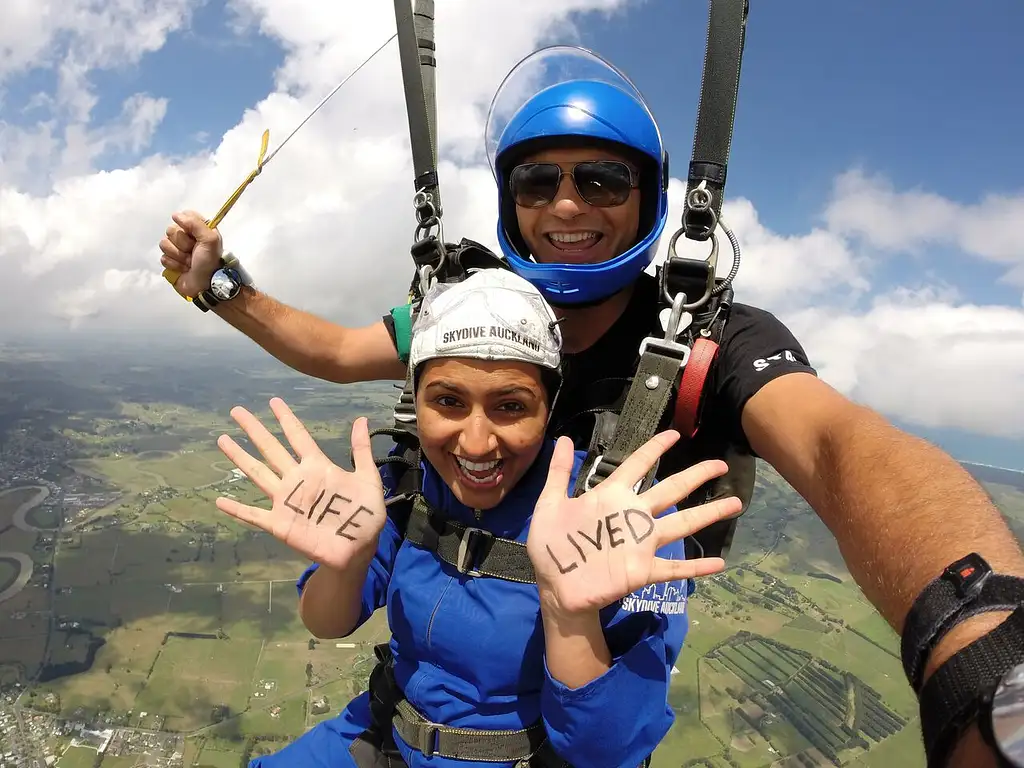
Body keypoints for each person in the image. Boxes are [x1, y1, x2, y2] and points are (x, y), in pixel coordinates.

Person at [161, 48, 1024, 767]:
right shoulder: (470, 315)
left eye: (604, 179)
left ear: (650, 197)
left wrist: (977, 631)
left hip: (574, 702)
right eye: (537, 181)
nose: (567, 205)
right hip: (394, 723)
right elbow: (335, 351)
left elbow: (840, 446)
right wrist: (221, 285)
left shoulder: (707, 342)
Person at [214, 269, 740, 768]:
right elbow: (326, 623)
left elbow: (608, 750)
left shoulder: (616, 519)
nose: (476, 443)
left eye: (510, 406)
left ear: (549, 408)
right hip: (383, 735)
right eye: (447, 401)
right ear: (414, 401)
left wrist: (570, 616)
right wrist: (348, 563)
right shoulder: (408, 483)